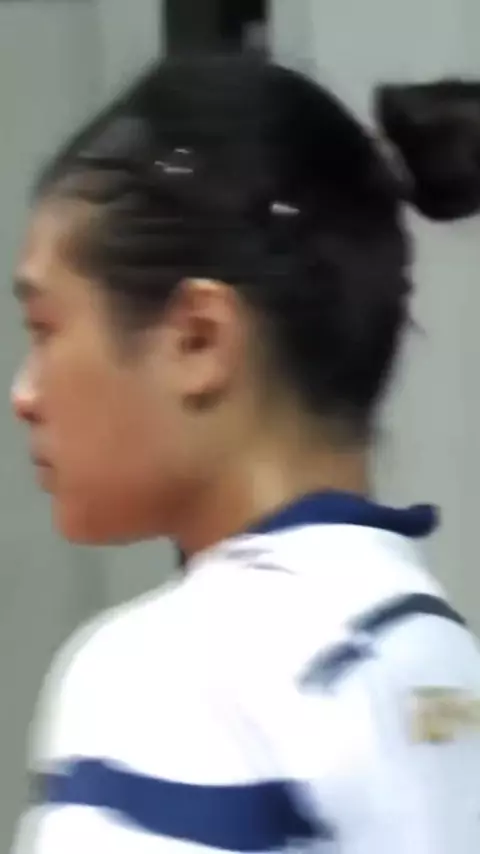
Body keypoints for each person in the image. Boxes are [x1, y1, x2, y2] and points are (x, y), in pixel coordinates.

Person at [10, 58, 480, 853]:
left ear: (199, 339)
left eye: (46, 329)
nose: (24, 393)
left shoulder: (159, 673)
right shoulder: (439, 657)